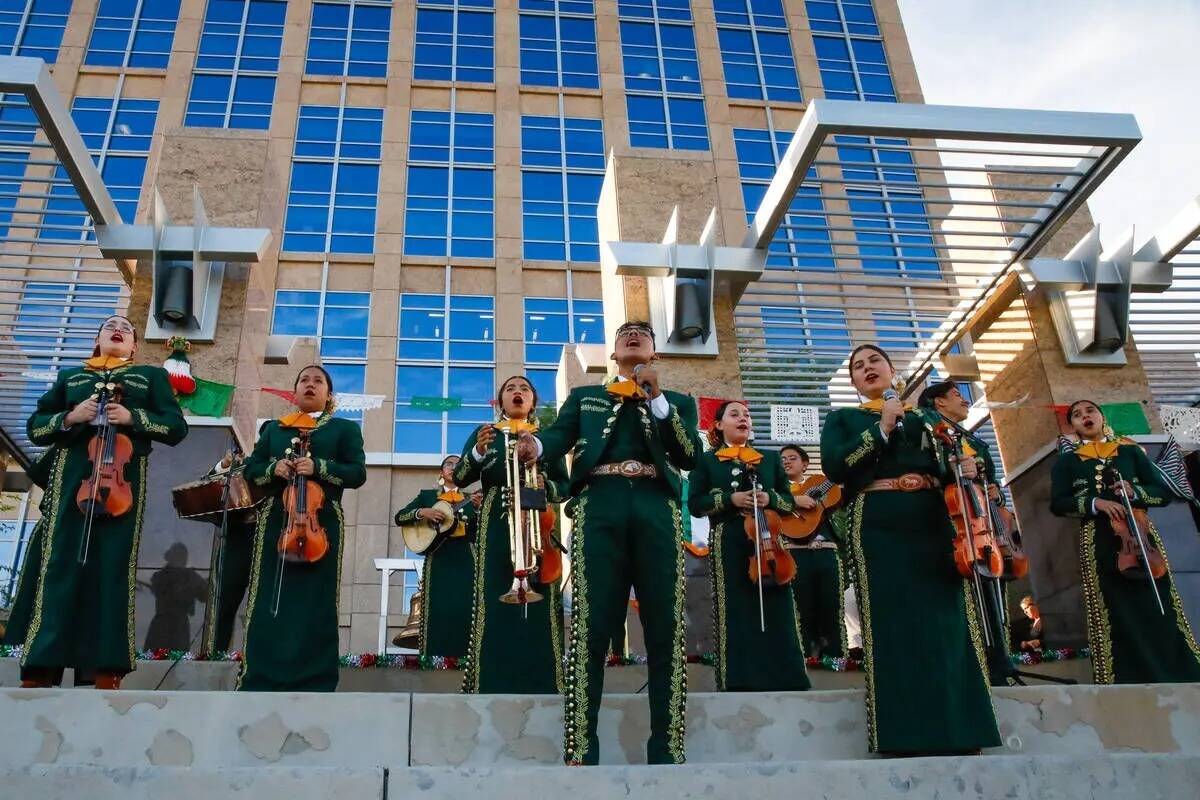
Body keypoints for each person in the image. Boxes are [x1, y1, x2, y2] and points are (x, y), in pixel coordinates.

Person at [517, 320, 702, 766]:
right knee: (591, 626)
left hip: (657, 510)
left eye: (643, 334)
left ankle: (667, 747)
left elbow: (690, 455)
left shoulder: (676, 401)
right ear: (614, 355)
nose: (633, 337)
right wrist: (536, 446)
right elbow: (558, 436)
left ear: (654, 353)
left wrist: (656, 400)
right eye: (624, 336)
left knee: (665, 628)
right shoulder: (586, 397)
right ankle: (581, 745)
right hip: (599, 506)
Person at [820, 343, 999, 755]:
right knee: (890, 620)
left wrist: (967, 466)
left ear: (891, 370)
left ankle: (961, 729)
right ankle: (903, 733)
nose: (867, 369)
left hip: (932, 518)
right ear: (853, 382)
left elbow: (959, 458)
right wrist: (881, 428)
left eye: (874, 362)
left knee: (946, 617)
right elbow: (836, 466)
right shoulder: (844, 419)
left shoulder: (927, 418)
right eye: (858, 367)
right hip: (878, 520)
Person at [20, 315, 188, 689]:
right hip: (71, 479)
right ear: (98, 340)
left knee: (112, 568)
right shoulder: (71, 377)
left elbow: (176, 427)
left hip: (121, 484)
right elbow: (36, 425)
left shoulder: (149, 376)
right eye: (111, 325)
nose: (119, 329)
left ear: (133, 346)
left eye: (127, 329)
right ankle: (42, 664)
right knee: (59, 564)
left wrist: (133, 417)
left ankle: (105, 666)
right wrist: (69, 417)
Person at [1050, 399, 1200, 684]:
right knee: (1113, 603)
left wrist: (1135, 492)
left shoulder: (1130, 451)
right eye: (1077, 415)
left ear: (1102, 417)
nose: (1085, 417)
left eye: (1090, 411)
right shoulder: (1068, 461)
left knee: (1159, 602)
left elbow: (1162, 492)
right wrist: (1096, 503)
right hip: (1099, 542)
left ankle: (1178, 670)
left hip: (1140, 534)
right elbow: (1058, 504)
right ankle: (1121, 676)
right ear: (1074, 427)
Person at [237, 365, 365, 691]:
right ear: (294, 392)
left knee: (316, 601)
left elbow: (356, 473)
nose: (310, 384)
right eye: (304, 380)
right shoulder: (275, 430)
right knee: (269, 597)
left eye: (318, 381)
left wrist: (319, 466)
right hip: (277, 523)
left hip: (320, 524)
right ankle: (260, 677)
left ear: (329, 395)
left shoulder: (343, 429)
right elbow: (252, 469)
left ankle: (315, 680)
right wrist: (273, 468)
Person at [454, 375, 568, 693]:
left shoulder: (547, 438)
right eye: (510, 389)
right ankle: (490, 678)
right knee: (493, 595)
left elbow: (566, 485)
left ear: (532, 401)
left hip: (538, 524)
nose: (517, 393)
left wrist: (550, 486)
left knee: (542, 599)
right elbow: (461, 478)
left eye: (524, 389)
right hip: (496, 524)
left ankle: (544, 680)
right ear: (500, 401)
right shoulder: (485, 435)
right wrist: (477, 452)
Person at [688, 401, 809, 691]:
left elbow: (787, 499)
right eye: (734, 414)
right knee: (735, 607)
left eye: (746, 415)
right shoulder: (706, 461)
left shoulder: (767, 458)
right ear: (718, 425)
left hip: (768, 541)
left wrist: (771, 499)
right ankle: (738, 679)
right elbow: (695, 504)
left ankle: (788, 677)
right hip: (729, 539)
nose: (743, 418)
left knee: (778, 605)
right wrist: (730, 500)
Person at [918, 380, 1015, 685]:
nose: (964, 400)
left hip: (982, 523)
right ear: (939, 403)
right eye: (957, 396)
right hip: (949, 522)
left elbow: (991, 479)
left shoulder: (972, 439)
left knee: (993, 589)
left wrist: (993, 490)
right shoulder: (927, 426)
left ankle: (1001, 660)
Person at [393, 455, 479, 660]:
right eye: (448, 464)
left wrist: (477, 510)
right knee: (436, 609)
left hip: (465, 560)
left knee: (465, 608)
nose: (453, 467)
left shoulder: (470, 498)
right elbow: (400, 516)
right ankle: (433, 660)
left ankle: (465, 661)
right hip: (438, 559)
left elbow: (477, 534)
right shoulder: (428, 496)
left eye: (458, 464)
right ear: (441, 473)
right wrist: (423, 512)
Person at [779, 444, 847, 658]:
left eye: (792, 458)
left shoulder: (821, 485)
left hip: (826, 551)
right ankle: (804, 655)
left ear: (805, 464)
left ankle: (837, 655)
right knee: (801, 607)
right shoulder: (777, 492)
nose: (786, 461)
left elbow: (842, 493)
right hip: (794, 552)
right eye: (782, 459)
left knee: (832, 604)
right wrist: (794, 501)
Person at [203, 449, 259, 655]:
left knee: (260, 607)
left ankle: (258, 655)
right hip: (236, 541)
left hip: (266, 544)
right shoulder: (246, 464)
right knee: (224, 603)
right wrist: (226, 465)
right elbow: (209, 485)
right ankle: (216, 652)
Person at [144, 543, 209, 651]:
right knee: (154, 660)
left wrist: (204, 583)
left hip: (179, 628)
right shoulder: (160, 577)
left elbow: (204, 596)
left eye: (183, 557)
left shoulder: (190, 576)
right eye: (179, 556)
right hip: (162, 627)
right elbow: (171, 593)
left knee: (178, 662)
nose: (182, 560)